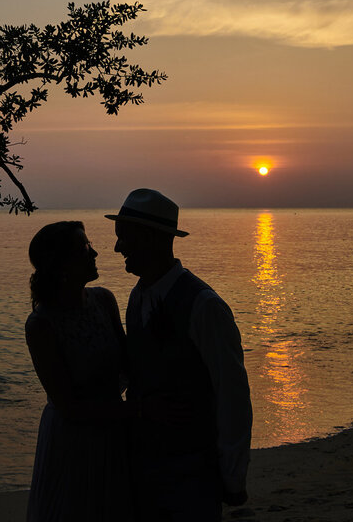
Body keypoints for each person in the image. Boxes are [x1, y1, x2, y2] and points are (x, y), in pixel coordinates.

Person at [107, 188, 253, 521]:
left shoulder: (206, 306)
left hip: (191, 473)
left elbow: (232, 396)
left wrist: (233, 475)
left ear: (150, 238)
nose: (117, 248)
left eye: (124, 237)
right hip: (143, 467)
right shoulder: (136, 297)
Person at [24, 220, 134, 521]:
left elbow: (128, 363)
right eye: (85, 248)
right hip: (72, 442)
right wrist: (138, 411)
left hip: (113, 433)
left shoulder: (103, 300)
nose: (95, 252)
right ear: (61, 264)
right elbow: (68, 406)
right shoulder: (41, 325)